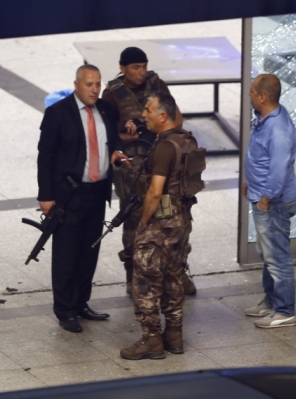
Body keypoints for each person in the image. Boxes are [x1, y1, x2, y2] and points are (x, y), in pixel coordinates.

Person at [37, 64, 128, 333]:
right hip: (69, 195)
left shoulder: (106, 110)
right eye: (89, 84)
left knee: (89, 251)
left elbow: (112, 141)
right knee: (66, 254)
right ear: (76, 84)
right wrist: (46, 195)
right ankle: (65, 310)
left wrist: (117, 153)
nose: (95, 89)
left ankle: (81, 303)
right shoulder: (57, 114)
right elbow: (46, 157)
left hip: (97, 193)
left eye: (98, 84)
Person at [101, 47, 197, 297]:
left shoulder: (157, 85)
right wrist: (131, 134)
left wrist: (153, 131)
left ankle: (177, 271)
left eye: (144, 66)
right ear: (123, 68)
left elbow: (177, 119)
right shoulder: (113, 95)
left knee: (173, 216)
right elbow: (107, 135)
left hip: (162, 162)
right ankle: (133, 275)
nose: (141, 72)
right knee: (134, 220)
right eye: (135, 67)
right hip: (132, 167)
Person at [120, 92, 200, 360]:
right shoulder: (187, 140)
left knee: (145, 281)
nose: (144, 114)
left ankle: (152, 340)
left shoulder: (165, 147)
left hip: (160, 225)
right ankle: (174, 336)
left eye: (148, 110)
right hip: (181, 222)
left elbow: (155, 192)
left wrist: (143, 223)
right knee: (173, 277)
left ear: (163, 116)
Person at [242, 74, 296, 329]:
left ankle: (285, 310)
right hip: (263, 196)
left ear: (262, 97)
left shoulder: (277, 131)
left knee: (278, 257)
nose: (249, 94)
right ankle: (271, 301)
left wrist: (265, 199)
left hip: (272, 203)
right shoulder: (269, 116)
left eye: (252, 91)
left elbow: (277, 173)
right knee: (269, 253)